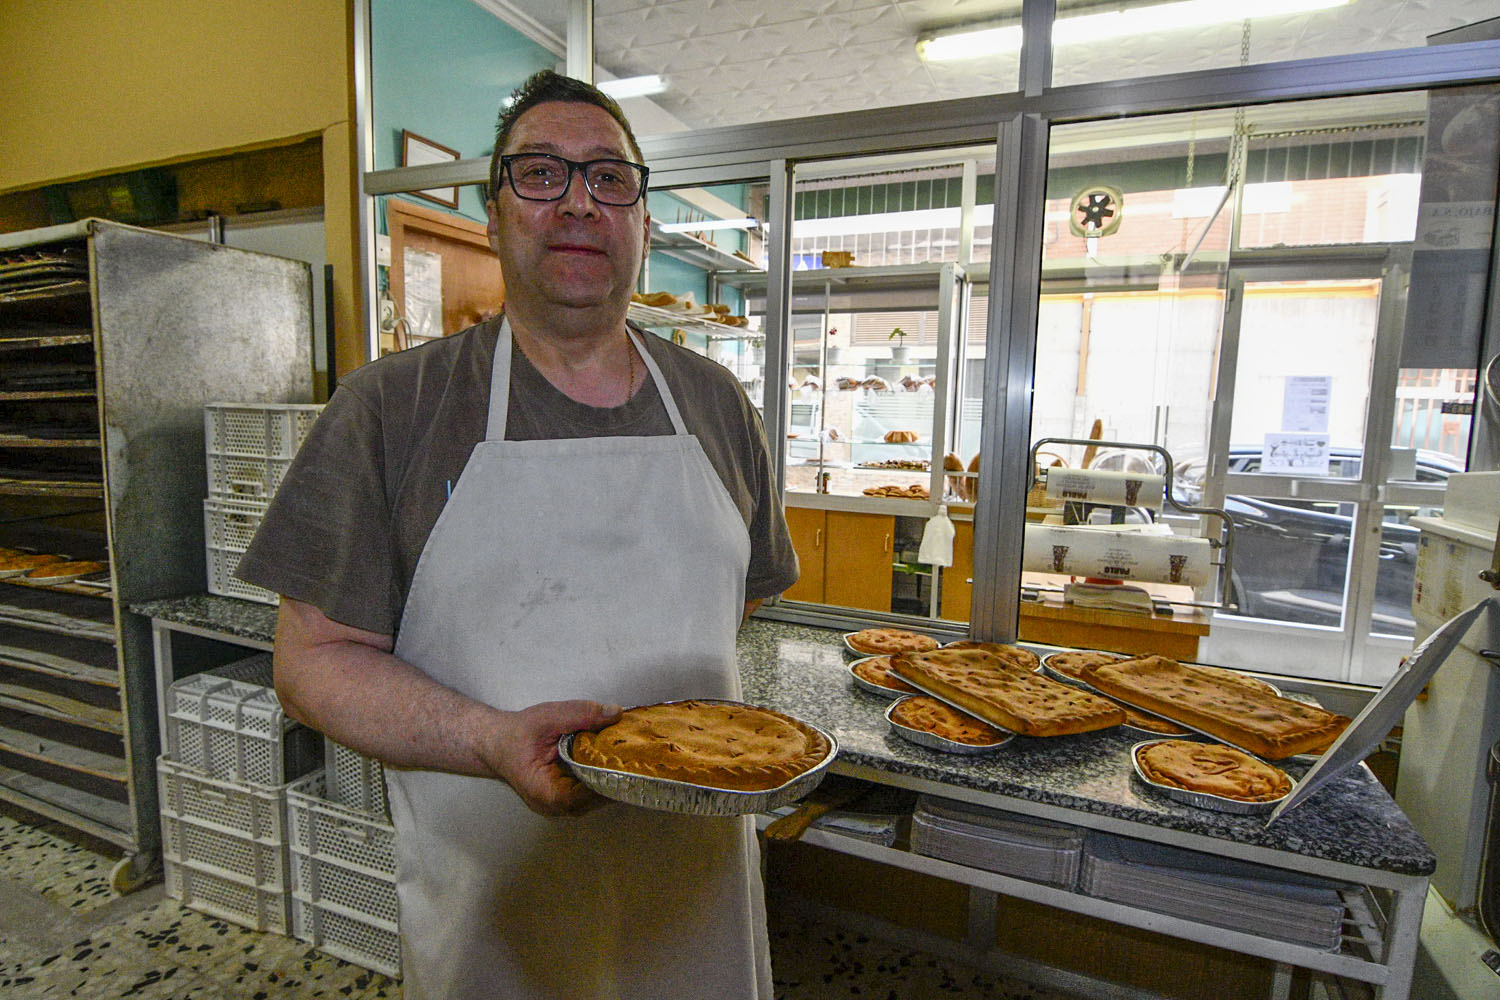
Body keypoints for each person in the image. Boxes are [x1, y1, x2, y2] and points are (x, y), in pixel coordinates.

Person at [237, 69, 797, 999]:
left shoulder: (719, 406)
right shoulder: (393, 408)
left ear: (644, 223)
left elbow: (736, 600)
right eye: (540, 174)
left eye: (609, 178)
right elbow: (310, 662)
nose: (579, 203)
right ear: (492, 215)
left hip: (696, 901)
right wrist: (488, 737)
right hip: (495, 918)